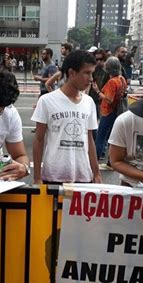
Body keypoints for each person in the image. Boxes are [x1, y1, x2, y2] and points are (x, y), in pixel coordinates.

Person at [32, 50, 102, 184]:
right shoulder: (47, 101)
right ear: (71, 73)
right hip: (53, 176)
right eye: (87, 73)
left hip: (83, 176)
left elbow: (90, 139)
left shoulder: (89, 102)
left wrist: (96, 173)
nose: (91, 78)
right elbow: (39, 139)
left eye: (92, 73)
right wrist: (37, 177)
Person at [91, 57, 127, 165]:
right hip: (117, 110)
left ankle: (95, 158)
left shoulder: (112, 82)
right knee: (112, 136)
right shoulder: (121, 79)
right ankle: (110, 161)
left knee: (101, 136)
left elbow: (109, 99)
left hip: (108, 111)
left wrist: (97, 92)